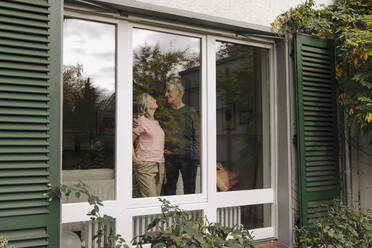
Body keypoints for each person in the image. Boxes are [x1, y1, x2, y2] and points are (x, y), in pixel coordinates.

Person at [164, 80, 200, 195]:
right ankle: (171, 213)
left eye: (169, 91)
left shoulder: (190, 112)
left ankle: (188, 213)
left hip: (188, 156)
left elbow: (198, 136)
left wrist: (195, 156)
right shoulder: (165, 113)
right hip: (169, 157)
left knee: (189, 191)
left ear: (179, 92)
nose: (165, 94)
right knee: (169, 192)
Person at [132, 93, 166, 197]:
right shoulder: (140, 121)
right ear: (145, 104)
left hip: (159, 165)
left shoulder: (156, 122)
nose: (155, 99)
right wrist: (134, 158)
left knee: (156, 201)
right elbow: (128, 140)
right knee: (151, 200)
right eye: (152, 99)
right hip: (146, 165)